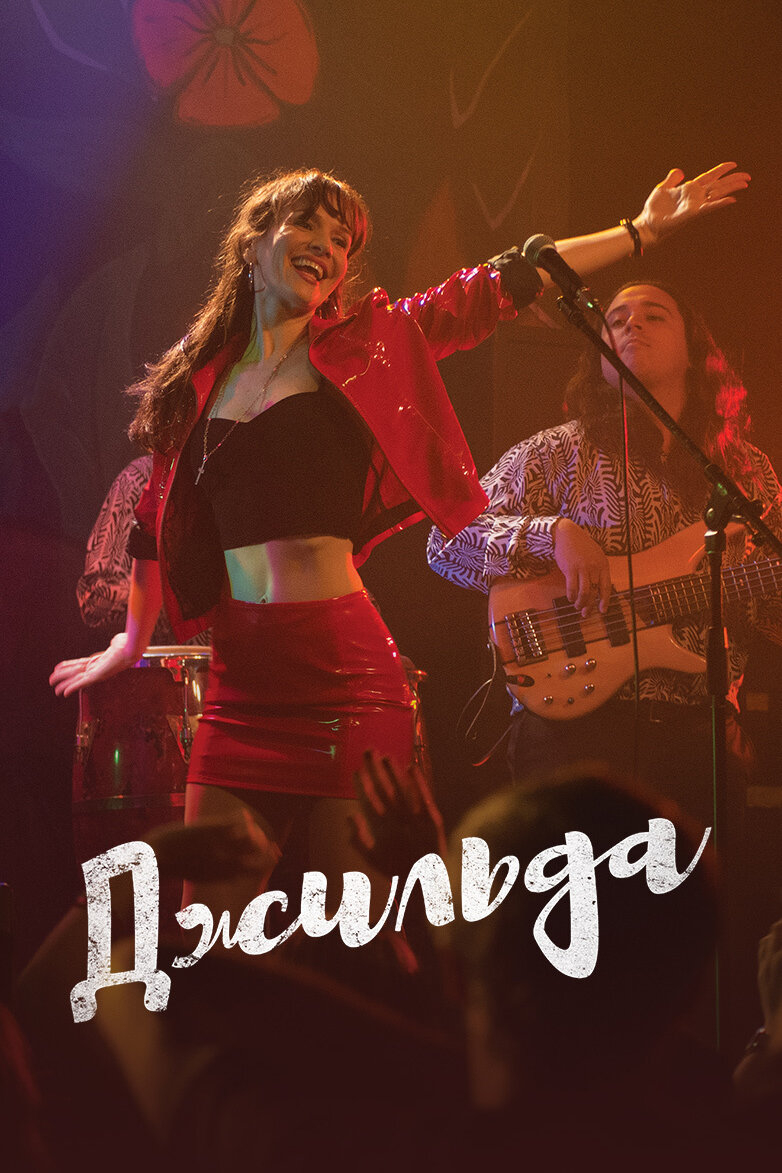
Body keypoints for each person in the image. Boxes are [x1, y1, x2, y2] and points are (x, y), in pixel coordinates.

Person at [50, 162, 750, 918]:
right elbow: (153, 520)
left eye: (342, 239)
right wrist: (132, 641)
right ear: (253, 243)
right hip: (238, 686)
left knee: (362, 932)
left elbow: (497, 286)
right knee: (208, 933)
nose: (328, 247)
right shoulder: (198, 377)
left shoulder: (366, 345)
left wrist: (638, 232)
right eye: (309, 225)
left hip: (345, 671)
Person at [427, 278, 782, 829]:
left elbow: (771, 609)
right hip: (571, 732)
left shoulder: (744, 471)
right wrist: (552, 534)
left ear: (694, 351)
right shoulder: (551, 453)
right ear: (599, 356)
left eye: (654, 315)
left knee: (692, 888)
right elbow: (446, 542)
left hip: (701, 734)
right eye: (615, 320)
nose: (631, 324)